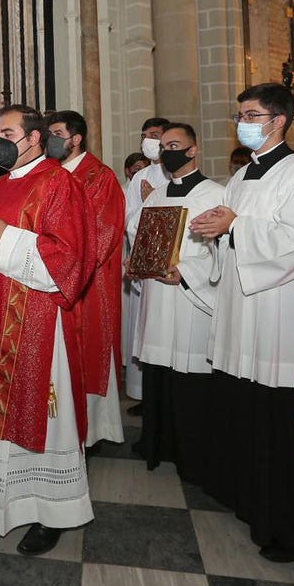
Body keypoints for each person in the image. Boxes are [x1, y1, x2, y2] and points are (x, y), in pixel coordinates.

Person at [189, 83, 294, 564]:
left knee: (277, 421)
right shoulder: (241, 176)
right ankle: (250, 502)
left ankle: (288, 526)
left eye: (251, 115)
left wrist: (233, 227)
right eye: (239, 115)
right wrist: (216, 230)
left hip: (275, 315)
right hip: (239, 312)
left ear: (278, 121)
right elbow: (228, 232)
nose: (242, 123)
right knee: (244, 410)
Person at [0, 105, 93, 557]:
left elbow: (72, 258)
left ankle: (50, 512)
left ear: (34, 138)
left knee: (40, 412)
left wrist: (6, 235)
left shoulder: (59, 183)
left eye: (7, 132)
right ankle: (5, 499)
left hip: (37, 318)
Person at [130, 122, 223, 484]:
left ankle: (192, 453)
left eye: (175, 144)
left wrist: (184, 271)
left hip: (188, 298)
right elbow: (139, 233)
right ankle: (157, 444)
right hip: (158, 296)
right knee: (159, 373)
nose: (167, 150)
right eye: (163, 144)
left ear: (193, 150)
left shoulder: (214, 193)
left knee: (188, 376)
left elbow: (219, 250)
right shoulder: (156, 195)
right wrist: (138, 259)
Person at [47, 110, 125, 448]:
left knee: (88, 349)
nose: (51, 139)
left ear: (76, 139)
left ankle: (94, 430)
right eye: (48, 132)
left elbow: (103, 232)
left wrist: (63, 266)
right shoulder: (48, 174)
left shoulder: (99, 176)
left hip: (87, 281)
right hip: (52, 276)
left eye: (58, 132)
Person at [123, 117, 170, 405]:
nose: (147, 141)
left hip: (169, 265)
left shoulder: (173, 172)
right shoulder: (139, 177)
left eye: (153, 135)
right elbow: (129, 218)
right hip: (143, 259)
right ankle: (144, 397)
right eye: (144, 136)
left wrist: (154, 201)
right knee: (144, 332)